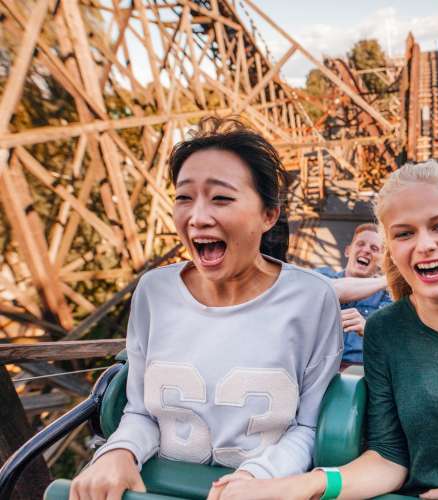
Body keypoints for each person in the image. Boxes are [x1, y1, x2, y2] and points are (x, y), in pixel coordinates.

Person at [213, 160, 438, 500]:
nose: (424, 245)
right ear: (392, 248)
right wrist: (299, 486)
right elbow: (389, 459)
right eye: (404, 234)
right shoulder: (387, 332)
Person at [68, 117, 342, 500]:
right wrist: (120, 451)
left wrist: (257, 478)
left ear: (269, 214)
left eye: (221, 198)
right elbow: (143, 412)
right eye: (184, 197)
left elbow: (309, 428)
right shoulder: (153, 291)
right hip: (157, 490)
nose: (197, 217)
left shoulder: (312, 299)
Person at [317, 223, 391, 367]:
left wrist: (370, 331)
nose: (366, 250)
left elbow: (394, 346)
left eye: (374, 248)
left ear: (382, 260)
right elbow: (333, 289)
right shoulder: (323, 276)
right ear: (347, 251)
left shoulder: (387, 298)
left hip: (359, 372)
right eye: (360, 244)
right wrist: (389, 279)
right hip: (316, 369)